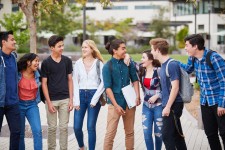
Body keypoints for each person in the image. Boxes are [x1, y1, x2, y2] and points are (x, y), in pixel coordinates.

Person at [179, 34, 225, 150]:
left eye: (187, 45)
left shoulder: (214, 58)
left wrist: (222, 104)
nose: (185, 48)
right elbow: (187, 70)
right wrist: (170, 62)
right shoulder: (193, 58)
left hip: (218, 102)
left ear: (195, 46)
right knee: (210, 133)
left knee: (224, 133)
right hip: (205, 102)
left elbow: (224, 82)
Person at [103, 39, 140, 150]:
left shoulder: (129, 63)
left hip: (129, 103)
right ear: (115, 50)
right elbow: (107, 88)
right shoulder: (107, 66)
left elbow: (135, 79)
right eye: (123, 48)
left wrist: (137, 95)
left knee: (130, 133)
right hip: (114, 105)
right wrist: (116, 105)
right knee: (110, 135)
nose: (125, 50)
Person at [150, 38, 187, 150]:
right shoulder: (163, 66)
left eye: (152, 49)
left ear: (157, 50)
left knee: (166, 135)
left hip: (173, 105)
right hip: (168, 104)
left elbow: (175, 87)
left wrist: (168, 106)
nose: (151, 52)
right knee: (177, 135)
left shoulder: (171, 64)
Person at [41, 35, 73, 150]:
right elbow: (44, 84)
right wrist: (48, 103)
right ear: (52, 48)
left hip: (65, 99)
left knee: (64, 128)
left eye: (63, 45)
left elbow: (70, 80)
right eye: (59, 46)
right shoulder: (46, 63)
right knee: (52, 128)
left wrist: (71, 100)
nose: (62, 48)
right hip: (52, 100)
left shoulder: (67, 61)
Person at [73, 40, 104, 150]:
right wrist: (76, 101)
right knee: (76, 127)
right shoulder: (78, 63)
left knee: (90, 127)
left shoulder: (99, 63)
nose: (83, 49)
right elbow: (75, 82)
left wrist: (94, 99)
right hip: (80, 95)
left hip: (93, 95)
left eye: (86, 47)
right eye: (82, 47)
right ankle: (81, 147)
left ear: (92, 49)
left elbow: (103, 83)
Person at [0, 31, 21, 150]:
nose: (15, 42)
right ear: (4, 42)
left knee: (16, 132)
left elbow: (17, 75)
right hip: (0, 102)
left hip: (13, 102)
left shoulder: (13, 57)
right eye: (12, 39)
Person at [138, 50, 162, 150]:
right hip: (146, 106)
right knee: (146, 132)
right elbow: (130, 62)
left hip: (159, 106)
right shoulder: (142, 70)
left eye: (143, 57)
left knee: (158, 133)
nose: (141, 59)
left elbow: (168, 88)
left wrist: (157, 95)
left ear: (151, 60)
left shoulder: (159, 71)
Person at [17, 53, 42, 150]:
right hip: (19, 105)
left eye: (38, 61)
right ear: (28, 62)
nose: (37, 63)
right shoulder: (18, 73)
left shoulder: (38, 74)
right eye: (36, 61)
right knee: (20, 133)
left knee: (38, 131)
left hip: (32, 105)